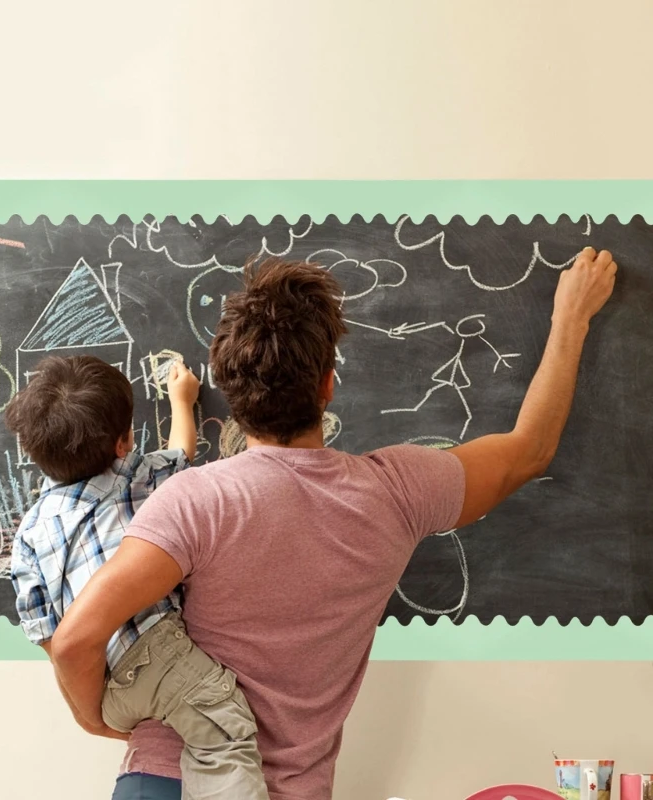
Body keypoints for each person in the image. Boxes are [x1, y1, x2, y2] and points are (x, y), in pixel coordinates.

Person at [49, 248, 617, 800]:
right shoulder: (397, 490)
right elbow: (529, 451)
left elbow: (75, 640)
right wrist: (572, 316)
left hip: (170, 778)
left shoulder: (195, 500)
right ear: (327, 385)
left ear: (231, 392)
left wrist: (97, 720)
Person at [6, 355, 270, 800]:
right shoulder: (136, 477)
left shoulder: (28, 535)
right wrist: (181, 400)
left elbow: (50, 636)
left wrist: (93, 712)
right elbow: (182, 453)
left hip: (105, 687)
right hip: (156, 652)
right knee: (228, 735)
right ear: (124, 443)